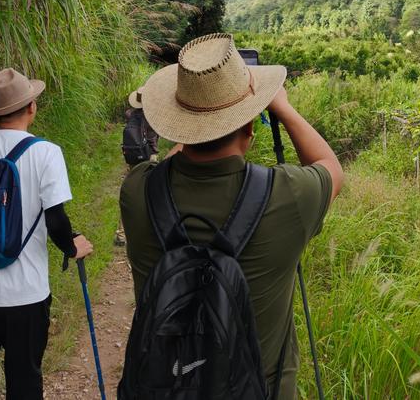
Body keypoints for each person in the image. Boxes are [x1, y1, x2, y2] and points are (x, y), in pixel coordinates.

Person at [119, 33, 344, 399]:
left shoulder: (137, 191)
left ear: (179, 125)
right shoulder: (287, 195)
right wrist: (282, 107)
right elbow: (330, 168)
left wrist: (193, 121)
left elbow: (176, 160)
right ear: (251, 128)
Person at [0, 67, 94, 400]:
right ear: (32, 108)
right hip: (25, 294)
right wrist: (72, 247)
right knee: (24, 382)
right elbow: (56, 221)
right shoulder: (46, 153)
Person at [122, 86, 159, 165]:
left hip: (133, 149)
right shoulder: (151, 116)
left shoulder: (129, 114)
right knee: (150, 172)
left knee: (135, 172)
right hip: (151, 151)